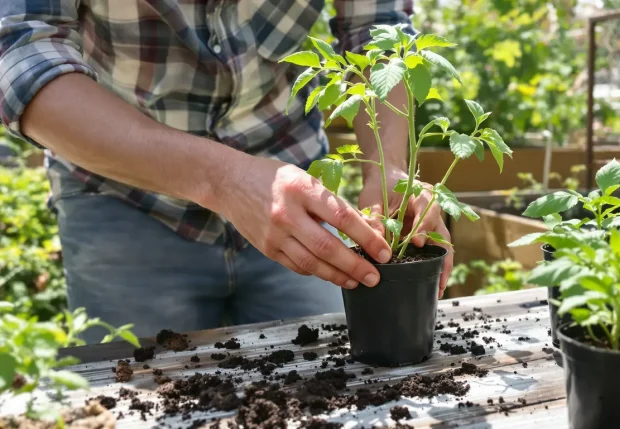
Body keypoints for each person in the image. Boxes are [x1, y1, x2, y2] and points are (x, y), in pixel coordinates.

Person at [0, 0, 452, 343]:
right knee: (136, 393)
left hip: (295, 190)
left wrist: (390, 170)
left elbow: (377, 28)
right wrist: (224, 180)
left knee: (337, 380)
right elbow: (23, 53)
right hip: (127, 193)